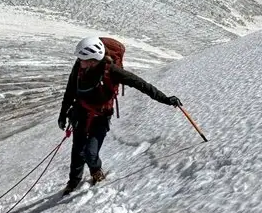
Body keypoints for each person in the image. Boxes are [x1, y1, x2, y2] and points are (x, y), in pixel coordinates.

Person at [58, 36, 182, 195]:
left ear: (93, 60)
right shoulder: (79, 67)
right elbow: (70, 90)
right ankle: (73, 181)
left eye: (82, 59)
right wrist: (63, 114)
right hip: (80, 112)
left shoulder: (112, 71)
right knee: (77, 150)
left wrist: (165, 99)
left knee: (90, 152)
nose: (78, 61)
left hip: (101, 116)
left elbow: (142, 85)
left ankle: (96, 172)